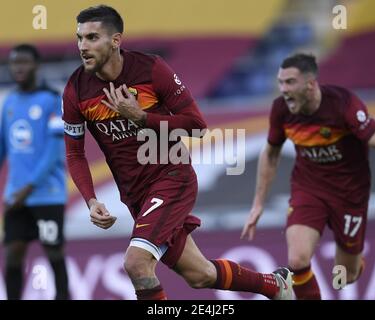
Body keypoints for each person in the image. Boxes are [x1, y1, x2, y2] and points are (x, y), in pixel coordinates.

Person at [62, 5, 293, 300]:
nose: (83, 46)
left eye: (92, 37)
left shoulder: (150, 69)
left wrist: (143, 118)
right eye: (79, 38)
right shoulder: (76, 89)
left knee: (136, 263)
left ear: (116, 40)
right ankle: (275, 285)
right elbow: (74, 154)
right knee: (200, 275)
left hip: (171, 177)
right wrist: (90, 198)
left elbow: (197, 126)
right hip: (136, 194)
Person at [242, 53, 375, 299]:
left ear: (310, 84)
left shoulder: (343, 103)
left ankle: (354, 260)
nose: (283, 90)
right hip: (309, 189)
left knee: (345, 276)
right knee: (297, 260)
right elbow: (271, 153)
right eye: (280, 82)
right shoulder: (281, 110)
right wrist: (258, 203)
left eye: (290, 82)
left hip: (350, 194)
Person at [0, 44, 69, 299]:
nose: (19, 67)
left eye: (25, 62)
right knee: (13, 253)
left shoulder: (52, 100)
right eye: (14, 62)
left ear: (36, 65)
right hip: (16, 197)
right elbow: (2, 148)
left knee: (54, 253)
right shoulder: (8, 103)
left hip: (47, 196)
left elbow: (53, 154)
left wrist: (27, 188)